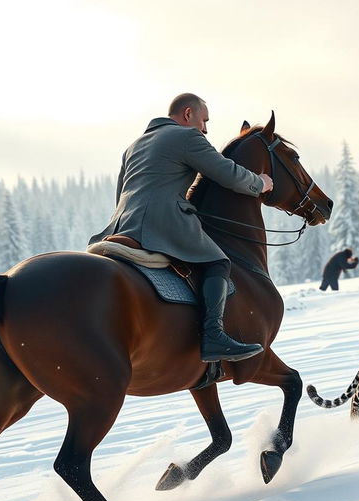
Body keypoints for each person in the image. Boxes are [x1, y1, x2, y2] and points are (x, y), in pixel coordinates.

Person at [88, 93, 273, 363]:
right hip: (160, 223)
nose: (206, 128)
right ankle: (213, 336)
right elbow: (227, 173)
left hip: (120, 225)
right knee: (217, 261)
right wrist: (259, 182)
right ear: (188, 114)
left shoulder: (134, 145)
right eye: (204, 120)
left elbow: (121, 193)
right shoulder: (187, 137)